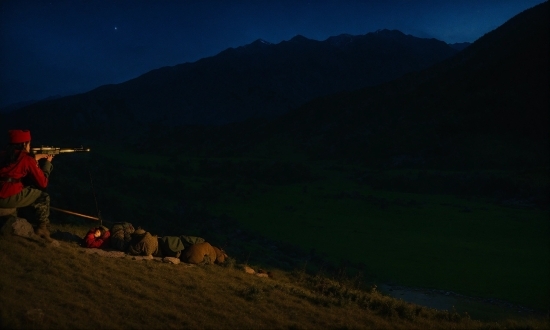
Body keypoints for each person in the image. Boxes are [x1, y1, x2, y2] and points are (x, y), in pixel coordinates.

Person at [0, 129, 54, 242]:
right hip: (5, 197)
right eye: (29, 143)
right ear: (25, 144)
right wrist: (48, 163)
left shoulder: (3, 154)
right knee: (42, 196)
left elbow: (15, 165)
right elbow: (43, 183)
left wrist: (35, 159)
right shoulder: (27, 159)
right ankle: (42, 228)